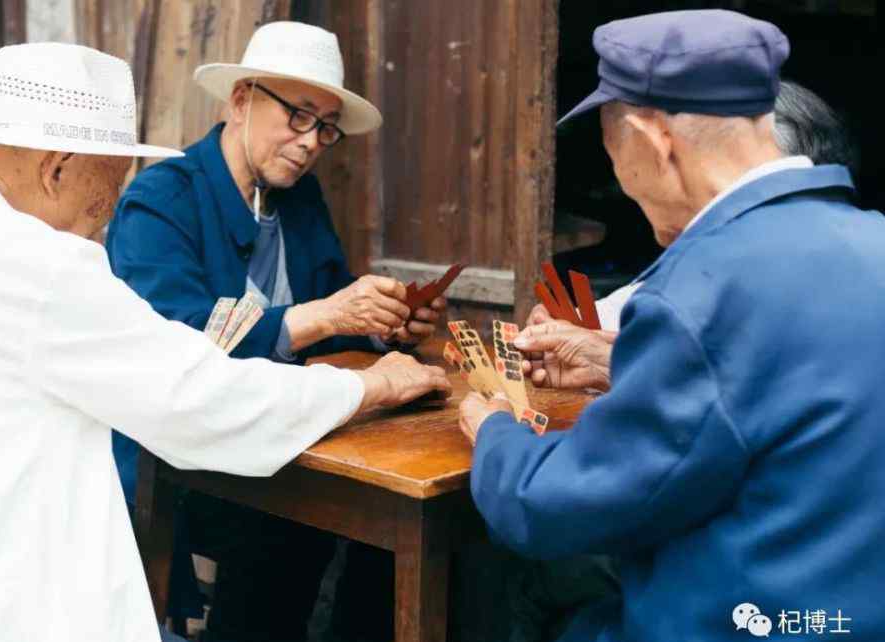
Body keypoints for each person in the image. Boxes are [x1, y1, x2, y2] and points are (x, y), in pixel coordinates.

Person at [0, 42, 450, 642]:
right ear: (57, 168)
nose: (100, 221)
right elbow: (198, 393)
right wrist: (370, 384)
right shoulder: (44, 261)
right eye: (104, 192)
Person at [459, 10, 885, 641]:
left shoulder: (700, 288)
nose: (620, 183)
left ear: (653, 138)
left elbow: (554, 506)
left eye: (612, 154)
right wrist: (616, 360)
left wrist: (493, 428)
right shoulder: (871, 241)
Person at [106, 22, 445, 642]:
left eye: (326, 127)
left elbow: (333, 301)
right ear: (241, 100)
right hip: (189, 452)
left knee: (405, 525)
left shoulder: (299, 198)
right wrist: (328, 314)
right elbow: (173, 339)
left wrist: (384, 326)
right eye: (298, 116)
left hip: (296, 438)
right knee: (286, 532)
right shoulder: (161, 199)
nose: (312, 140)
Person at [521, 79, 862, 392]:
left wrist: (497, 434)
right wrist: (585, 337)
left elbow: (739, 399)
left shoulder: (769, 267)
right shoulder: (714, 262)